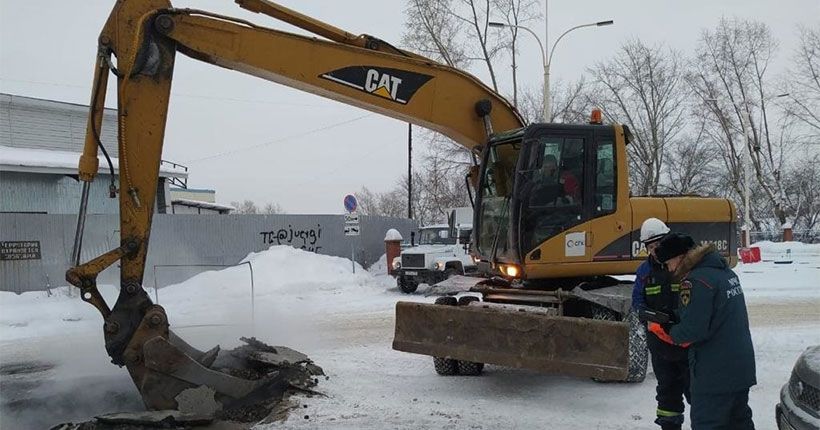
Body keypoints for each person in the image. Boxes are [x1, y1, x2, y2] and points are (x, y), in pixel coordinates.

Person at [655, 233, 756, 430]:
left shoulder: (695, 281)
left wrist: (670, 328)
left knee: (707, 424)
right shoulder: (725, 274)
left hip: (714, 374)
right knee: (739, 423)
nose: (669, 269)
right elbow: (714, 313)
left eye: (668, 263)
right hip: (739, 369)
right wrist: (676, 314)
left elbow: (692, 331)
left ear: (678, 257)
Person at [632, 218, 691, 430]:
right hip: (661, 347)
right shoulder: (644, 272)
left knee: (698, 393)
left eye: (658, 244)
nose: (655, 250)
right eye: (650, 246)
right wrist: (650, 316)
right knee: (667, 395)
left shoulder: (683, 266)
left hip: (687, 345)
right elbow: (637, 302)